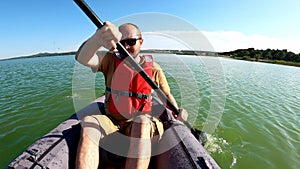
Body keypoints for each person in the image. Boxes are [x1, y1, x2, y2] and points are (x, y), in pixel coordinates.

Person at [75, 21, 188, 169]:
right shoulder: (109, 60)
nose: (126, 47)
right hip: (113, 121)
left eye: (131, 42)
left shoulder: (154, 69)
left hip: (142, 121)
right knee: (89, 123)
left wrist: (177, 113)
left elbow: (166, 95)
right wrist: (98, 38)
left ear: (141, 42)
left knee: (141, 122)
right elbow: (82, 58)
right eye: (121, 43)